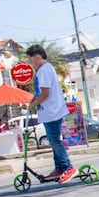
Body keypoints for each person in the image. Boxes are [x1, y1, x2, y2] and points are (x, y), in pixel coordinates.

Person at [26, 45, 77, 184]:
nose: (32, 64)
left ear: (37, 57)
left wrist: (33, 104)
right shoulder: (46, 69)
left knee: (54, 140)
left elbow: (45, 93)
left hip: (52, 111)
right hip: (51, 111)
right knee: (53, 140)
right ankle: (60, 168)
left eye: (32, 61)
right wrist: (33, 99)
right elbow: (41, 92)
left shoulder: (43, 70)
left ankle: (68, 167)